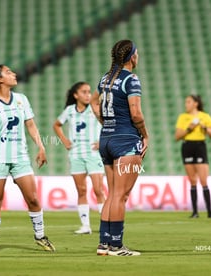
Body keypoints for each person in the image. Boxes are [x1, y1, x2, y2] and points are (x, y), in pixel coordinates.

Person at [0, 64, 56, 253]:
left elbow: (31, 125)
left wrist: (41, 146)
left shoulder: (21, 100)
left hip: (20, 157)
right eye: (8, 72)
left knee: (33, 199)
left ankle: (40, 236)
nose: (14, 74)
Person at [90, 39, 148, 256]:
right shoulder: (131, 79)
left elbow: (94, 103)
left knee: (112, 193)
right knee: (120, 196)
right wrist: (145, 134)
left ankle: (103, 244)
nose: (138, 56)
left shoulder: (105, 78)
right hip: (126, 141)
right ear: (132, 56)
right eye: (137, 53)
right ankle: (116, 245)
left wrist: (105, 122)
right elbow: (136, 113)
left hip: (106, 139)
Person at [53, 81, 106, 234]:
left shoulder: (95, 109)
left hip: (93, 153)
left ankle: (106, 224)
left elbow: (109, 124)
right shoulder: (69, 110)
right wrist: (64, 141)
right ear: (76, 95)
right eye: (84, 92)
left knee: (98, 189)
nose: (88, 95)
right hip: (75, 154)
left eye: (89, 92)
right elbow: (56, 125)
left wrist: (102, 141)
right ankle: (85, 226)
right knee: (81, 190)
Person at [175, 94, 211, 218]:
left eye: (188, 102)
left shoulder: (205, 116)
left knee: (203, 180)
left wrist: (204, 128)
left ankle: (209, 211)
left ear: (195, 103)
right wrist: (189, 129)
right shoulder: (183, 117)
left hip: (200, 146)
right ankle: (195, 212)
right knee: (192, 181)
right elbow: (177, 136)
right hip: (187, 146)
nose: (186, 104)